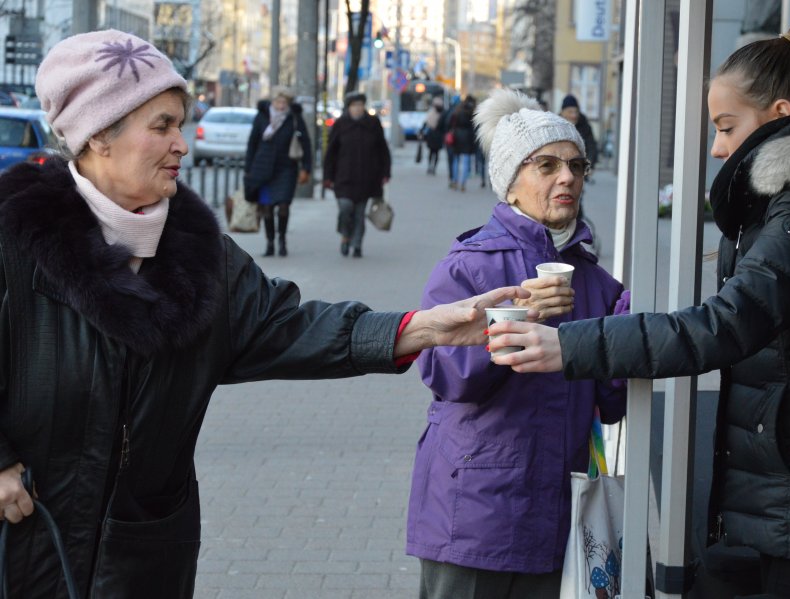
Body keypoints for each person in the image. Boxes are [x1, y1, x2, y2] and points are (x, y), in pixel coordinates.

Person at [0, 30, 531, 599]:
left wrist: (424, 327)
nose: (183, 143)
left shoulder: (201, 259)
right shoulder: (17, 241)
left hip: (142, 556)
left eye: (181, 123)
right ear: (97, 136)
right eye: (161, 126)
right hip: (23, 542)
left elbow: (291, 326)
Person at [490, 24, 790, 598]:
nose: (715, 148)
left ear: (781, 114)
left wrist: (571, 345)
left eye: (726, 127)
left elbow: (726, 324)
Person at [408, 88, 630, 599]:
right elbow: (445, 374)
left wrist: (626, 332)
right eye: (546, 165)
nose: (567, 177)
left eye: (576, 165)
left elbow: (613, 404)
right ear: (510, 184)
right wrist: (519, 315)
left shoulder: (596, 282)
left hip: (556, 511)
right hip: (472, 512)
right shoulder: (469, 264)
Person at [244, 86, 312, 257]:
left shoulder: (294, 118)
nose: (281, 106)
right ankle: (270, 243)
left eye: (285, 102)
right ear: (272, 101)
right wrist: (248, 170)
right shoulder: (262, 117)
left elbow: (306, 144)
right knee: (266, 208)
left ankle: (282, 240)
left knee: (283, 207)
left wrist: (306, 167)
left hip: (287, 169)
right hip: (263, 169)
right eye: (278, 102)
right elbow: (252, 144)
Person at [323, 91, 390, 258]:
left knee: (360, 214)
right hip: (343, 177)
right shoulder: (340, 124)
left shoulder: (373, 123)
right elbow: (330, 152)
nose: (358, 108)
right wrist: (327, 177)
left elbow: (383, 149)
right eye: (354, 105)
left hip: (367, 177)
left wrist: (385, 172)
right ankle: (345, 236)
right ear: (349, 107)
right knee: (345, 208)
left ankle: (357, 244)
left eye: (360, 105)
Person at [560, 94, 599, 168]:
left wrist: (589, 164)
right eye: (570, 112)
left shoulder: (584, 125)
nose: (574, 115)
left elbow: (591, 146)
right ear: (563, 112)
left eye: (576, 112)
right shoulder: (555, 125)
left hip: (581, 166)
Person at [448, 95, 477, 192]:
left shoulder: (457, 111)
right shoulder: (472, 113)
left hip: (457, 137)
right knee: (465, 161)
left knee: (456, 160)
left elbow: (450, 123)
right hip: (467, 138)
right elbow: (474, 129)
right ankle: (463, 183)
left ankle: (455, 181)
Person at [420, 95, 444, 175]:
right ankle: (433, 168)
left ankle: (430, 167)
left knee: (431, 152)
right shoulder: (442, 113)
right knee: (436, 153)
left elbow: (426, 123)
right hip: (438, 135)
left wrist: (422, 131)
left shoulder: (431, 112)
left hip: (431, 135)